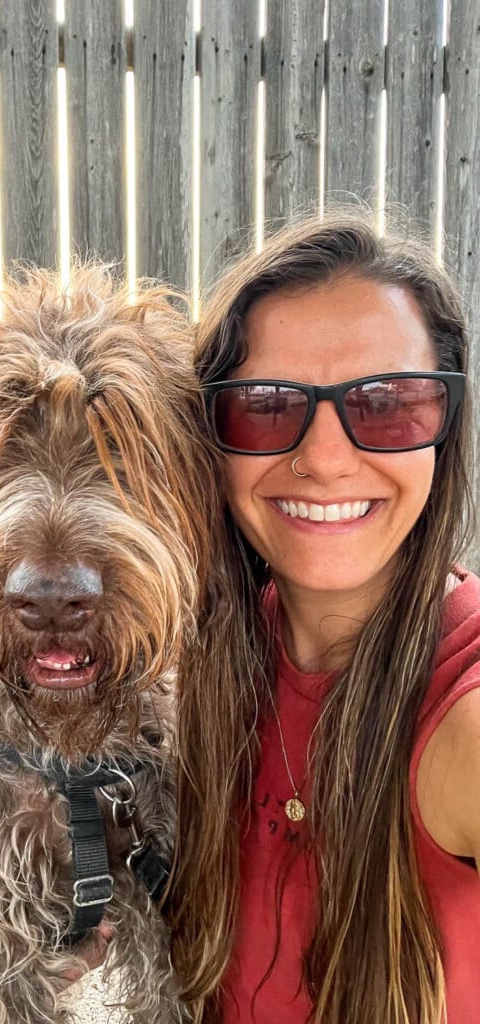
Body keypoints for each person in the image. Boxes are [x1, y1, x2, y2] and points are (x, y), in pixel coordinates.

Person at [169, 211, 479, 1023]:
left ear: (442, 433)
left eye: (388, 404)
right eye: (266, 407)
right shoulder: (193, 668)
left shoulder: (464, 711)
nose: (325, 457)